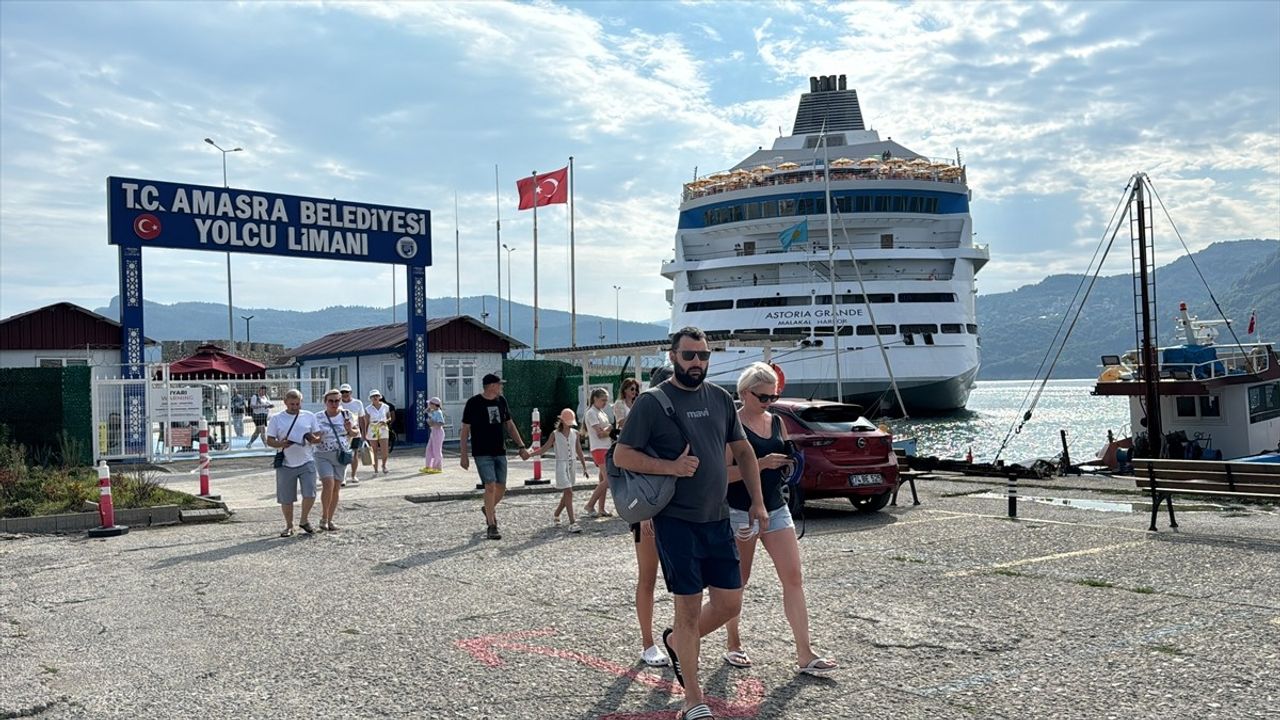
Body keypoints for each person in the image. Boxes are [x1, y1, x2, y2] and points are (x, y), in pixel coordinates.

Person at [614, 327, 768, 720]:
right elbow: (622, 456)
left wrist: (757, 502)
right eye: (689, 356)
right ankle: (692, 699)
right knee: (688, 607)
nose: (697, 363)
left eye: (703, 356)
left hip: (717, 518)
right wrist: (671, 467)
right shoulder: (651, 402)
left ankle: (677, 642)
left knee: (730, 603)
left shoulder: (719, 398)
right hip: (676, 522)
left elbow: (744, 453)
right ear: (673, 356)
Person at [722, 362, 838, 676]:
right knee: (738, 582)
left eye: (773, 397)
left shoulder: (776, 422)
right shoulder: (732, 424)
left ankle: (805, 652)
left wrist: (787, 463)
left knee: (794, 578)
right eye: (763, 397)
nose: (769, 403)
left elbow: (783, 458)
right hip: (740, 512)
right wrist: (760, 463)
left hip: (775, 507)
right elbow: (722, 475)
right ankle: (733, 643)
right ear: (744, 392)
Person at [631, 365, 672, 669]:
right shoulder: (644, 417)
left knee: (686, 579)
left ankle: (681, 636)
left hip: (682, 507)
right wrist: (645, 513)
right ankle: (648, 643)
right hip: (650, 510)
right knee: (648, 576)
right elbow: (632, 466)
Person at [459, 373, 531, 540]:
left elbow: (509, 424)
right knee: (490, 485)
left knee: (501, 487)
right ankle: (491, 525)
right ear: (491, 386)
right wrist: (464, 454)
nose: (501, 387)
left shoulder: (501, 401)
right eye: (499, 384)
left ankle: (488, 508)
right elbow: (465, 430)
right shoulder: (473, 403)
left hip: (499, 450)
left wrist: (521, 446)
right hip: (481, 452)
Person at [266, 389, 322, 537]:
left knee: (310, 493)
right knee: (287, 497)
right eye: (292, 404)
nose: (295, 407)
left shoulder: (309, 416)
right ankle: (289, 525)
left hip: (306, 459)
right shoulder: (276, 418)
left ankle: (304, 520)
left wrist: (314, 438)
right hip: (286, 462)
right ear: (285, 402)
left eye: (297, 404)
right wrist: (281, 444)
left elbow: (317, 435)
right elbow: (270, 440)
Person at [532, 408, 590, 533]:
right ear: (562, 421)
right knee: (569, 491)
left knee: (567, 492)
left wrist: (584, 466)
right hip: (561, 464)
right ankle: (572, 522)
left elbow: (579, 450)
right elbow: (544, 448)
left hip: (572, 464)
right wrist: (531, 455)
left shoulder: (575, 433)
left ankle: (557, 513)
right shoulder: (555, 434)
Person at [313, 388, 357, 532]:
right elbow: (312, 434)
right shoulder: (318, 417)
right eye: (331, 401)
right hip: (323, 453)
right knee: (328, 483)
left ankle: (330, 519)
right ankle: (324, 517)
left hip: (341, 454)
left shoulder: (346, 415)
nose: (334, 403)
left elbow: (356, 432)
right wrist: (315, 438)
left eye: (337, 400)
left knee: (336, 488)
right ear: (325, 402)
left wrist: (350, 429)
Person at [581, 388, 614, 518]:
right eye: (603, 400)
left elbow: (605, 430)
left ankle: (601, 508)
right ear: (595, 399)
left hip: (605, 447)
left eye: (606, 400)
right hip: (599, 448)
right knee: (608, 479)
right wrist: (609, 428)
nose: (605, 403)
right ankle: (590, 504)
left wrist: (608, 429)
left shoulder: (601, 413)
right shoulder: (591, 413)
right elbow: (600, 434)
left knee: (602, 480)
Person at [338, 384, 365, 486]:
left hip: (355, 432)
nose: (345, 394)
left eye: (346, 392)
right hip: (343, 434)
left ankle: (353, 475)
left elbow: (362, 418)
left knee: (354, 454)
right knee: (343, 454)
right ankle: (343, 477)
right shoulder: (338, 404)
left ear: (350, 393)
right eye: (343, 392)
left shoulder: (358, 403)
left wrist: (364, 432)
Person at [365, 390, 392, 475]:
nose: (375, 397)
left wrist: (386, 421)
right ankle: (375, 469)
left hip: (383, 427)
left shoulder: (385, 406)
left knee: (385, 450)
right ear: (370, 398)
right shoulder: (368, 409)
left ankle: (384, 465)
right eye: (373, 396)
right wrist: (365, 433)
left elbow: (389, 417)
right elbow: (367, 421)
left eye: (376, 396)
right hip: (372, 428)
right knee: (374, 450)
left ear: (380, 397)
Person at [420, 396, 446, 474]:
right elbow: (424, 412)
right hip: (433, 432)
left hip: (438, 432)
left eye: (430, 404)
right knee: (429, 449)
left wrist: (432, 423)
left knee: (436, 450)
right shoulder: (434, 411)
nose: (429, 405)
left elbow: (442, 423)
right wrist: (428, 409)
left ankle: (438, 467)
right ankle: (429, 466)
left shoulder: (438, 412)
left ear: (434, 405)